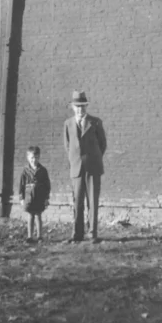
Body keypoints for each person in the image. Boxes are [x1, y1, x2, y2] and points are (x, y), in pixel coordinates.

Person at [64, 91, 107, 244]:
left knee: (93, 201)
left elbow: (103, 144)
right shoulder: (68, 124)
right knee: (77, 202)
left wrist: (92, 159)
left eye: (82, 106)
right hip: (76, 168)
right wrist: (75, 161)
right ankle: (77, 234)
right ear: (72, 107)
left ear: (86, 106)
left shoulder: (95, 122)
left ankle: (92, 233)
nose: (80, 109)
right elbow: (68, 146)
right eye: (77, 106)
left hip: (93, 168)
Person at [19, 146, 51, 243]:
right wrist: (21, 198)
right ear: (28, 158)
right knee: (30, 215)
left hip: (39, 196)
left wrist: (46, 198)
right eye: (32, 157)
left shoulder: (43, 170)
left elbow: (47, 185)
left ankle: (39, 236)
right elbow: (21, 185)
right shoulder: (25, 171)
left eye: (36, 157)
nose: (34, 160)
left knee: (38, 215)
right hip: (29, 196)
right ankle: (30, 236)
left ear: (39, 157)